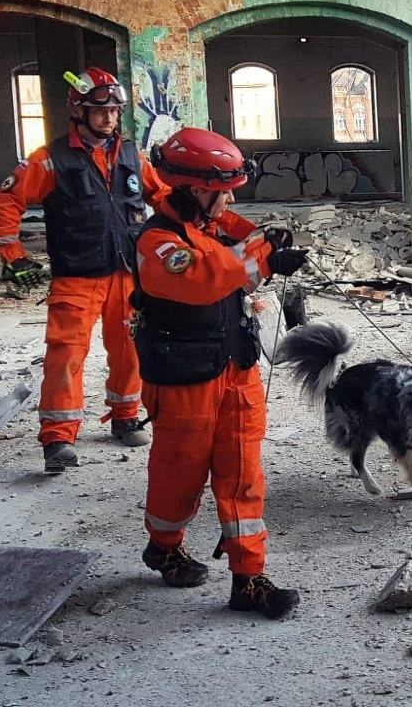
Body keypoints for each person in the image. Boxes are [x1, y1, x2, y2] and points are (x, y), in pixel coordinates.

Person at [132, 127, 308, 619]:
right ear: (191, 190)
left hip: (235, 369)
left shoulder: (214, 226)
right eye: (220, 189)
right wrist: (259, 257)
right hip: (184, 378)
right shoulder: (158, 243)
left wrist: (267, 246)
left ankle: (248, 578)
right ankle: (164, 544)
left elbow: (232, 241)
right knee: (179, 475)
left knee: (244, 476)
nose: (228, 197)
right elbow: (203, 278)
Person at [0, 67, 169, 472]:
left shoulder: (131, 156)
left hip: (127, 271)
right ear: (78, 111)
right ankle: (57, 437)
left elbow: (165, 197)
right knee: (66, 355)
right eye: (99, 111)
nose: (109, 118)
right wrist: (13, 255)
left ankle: (124, 415)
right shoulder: (50, 160)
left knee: (131, 349)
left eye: (115, 111)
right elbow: (5, 204)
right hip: (77, 275)